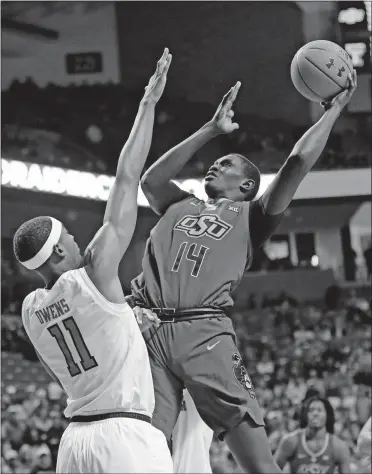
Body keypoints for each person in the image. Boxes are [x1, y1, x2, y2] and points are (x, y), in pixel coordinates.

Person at [130, 67, 357, 473]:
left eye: (226, 163)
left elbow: (297, 163)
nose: (214, 166)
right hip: (147, 331)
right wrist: (210, 131)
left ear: (248, 185)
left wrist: (332, 112)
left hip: (204, 334)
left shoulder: (252, 215)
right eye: (215, 161)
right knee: (146, 455)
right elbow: (150, 179)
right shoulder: (178, 204)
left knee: (259, 464)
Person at [13, 49, 174, 474]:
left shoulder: (31, 312)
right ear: (61, 252)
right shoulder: (95, 272)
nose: (79, 239)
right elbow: (126, 176)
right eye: (71, 236)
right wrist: (148, 104)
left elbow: (79, 357)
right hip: (123, 438)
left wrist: (125, 326)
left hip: (75, 444)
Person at [274, 396, 351, 473]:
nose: (315, 413)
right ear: (305, 415)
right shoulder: (291, 441)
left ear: (327, 415)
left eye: (319, 410)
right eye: (311, 410)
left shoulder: (338, 446)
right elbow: (271, 470)